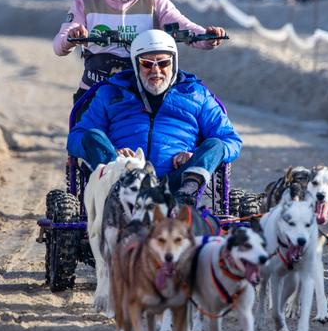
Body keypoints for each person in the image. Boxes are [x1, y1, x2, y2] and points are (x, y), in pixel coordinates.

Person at [66, 29, 241, 202]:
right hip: (124, 180)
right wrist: (113, 155)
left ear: (174, 62)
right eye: (147, 63)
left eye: (163, 63)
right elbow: (76, 137)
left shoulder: (197, 94)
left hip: (177, 182)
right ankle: (119, 191)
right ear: (135, 64)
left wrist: (193, 155)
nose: (156, 70)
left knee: (216, 144)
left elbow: (230, 140)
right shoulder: (109, 93)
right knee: (92, 136)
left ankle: (187, 196)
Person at [52, 0, 226, 104]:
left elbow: (183, 26)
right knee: (86, 134)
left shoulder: (155, 0)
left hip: (140, 97)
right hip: (94, 95)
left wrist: (207, 37)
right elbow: (59, 46)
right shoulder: (85, 0)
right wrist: (71, 38)